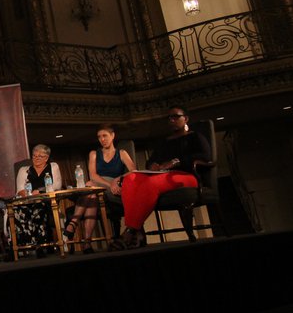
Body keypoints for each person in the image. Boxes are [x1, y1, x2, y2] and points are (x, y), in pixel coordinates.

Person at [110, 105, 210, 250]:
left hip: (187, 175)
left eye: (175, 116)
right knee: (130, 179)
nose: (172, 120)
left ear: (185, 119)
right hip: (162, 175)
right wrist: (153, 165)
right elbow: (151, 160)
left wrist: (175, 162)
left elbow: (206, 157)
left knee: (151, 183)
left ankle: (130, 231)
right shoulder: (165, 141)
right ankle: (138, 232)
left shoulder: (195, 136)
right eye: (169, 118)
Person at [63, 124, 136, 253]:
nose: (102, 139)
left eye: (105, 136)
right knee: (91, 194)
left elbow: (134, 171)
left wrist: (117, 179)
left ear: (113, 136)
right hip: (101, 186)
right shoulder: (94, 154)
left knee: (90, 186)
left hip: (114, 190)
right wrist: (109, 184)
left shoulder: (121, 153)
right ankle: (87, 244)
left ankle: (73, 223)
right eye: (99, 137)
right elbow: (93, 175)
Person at [11, 144, 63, 256]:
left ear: (46, 158)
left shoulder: (53, 167)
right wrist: (29, 194)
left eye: (40, 156)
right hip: (29, 200)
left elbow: (57, 185)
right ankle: (27, 245)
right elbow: (20, 189)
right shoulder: (24, 170)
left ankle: (40, 244)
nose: (36, 158)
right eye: (34, 156)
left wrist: (40, 191)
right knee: (18, 211)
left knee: (38, 208)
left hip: (47, 200)